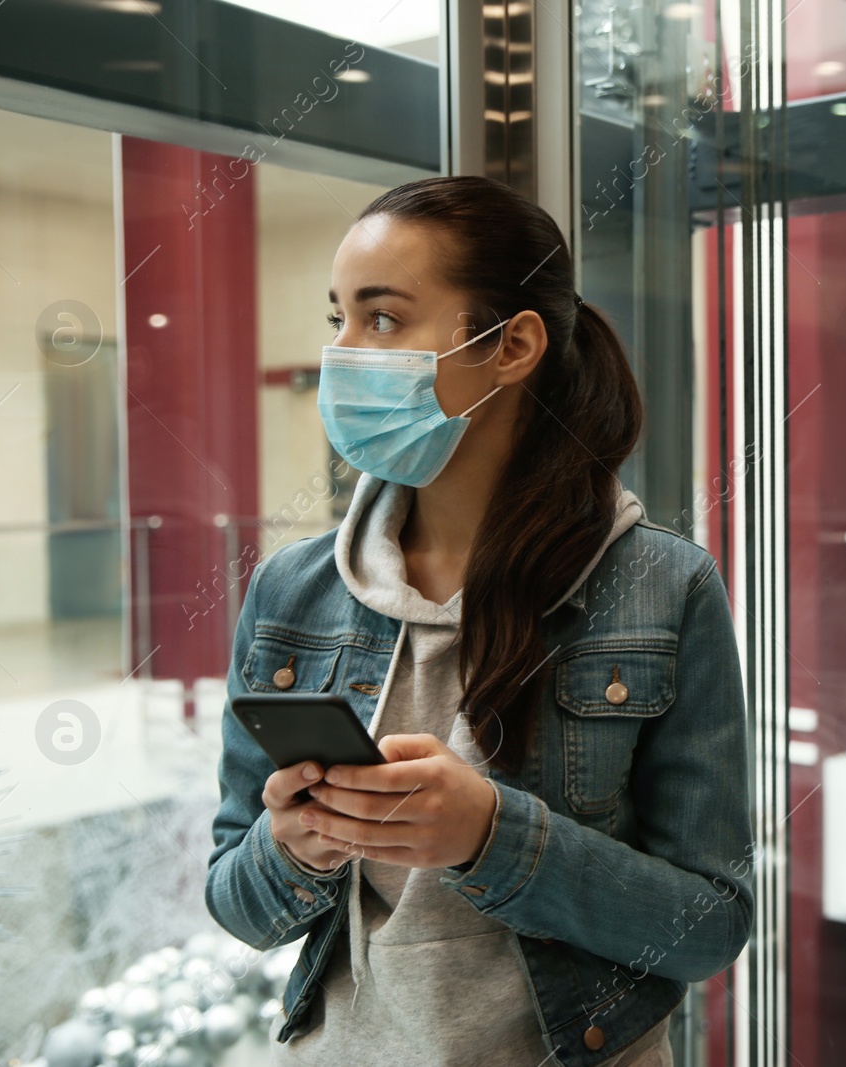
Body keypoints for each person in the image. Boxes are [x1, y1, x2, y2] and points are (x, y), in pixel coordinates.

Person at [204, 175, 755, 1066]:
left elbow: (709, 926)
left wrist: (492, 837)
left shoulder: (663, 586)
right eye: (337, 317)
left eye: (382, 320)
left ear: (513, 345)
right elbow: (236, 901)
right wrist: (293, 846)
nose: (342, 353)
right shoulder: (288, 592)